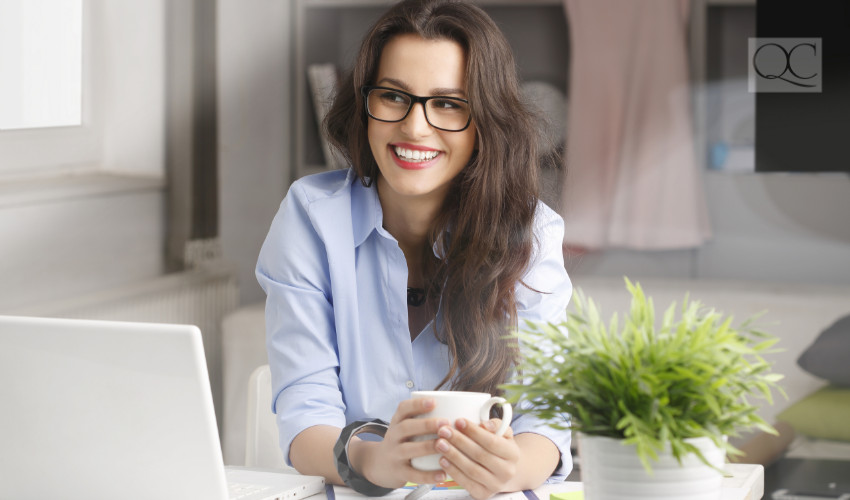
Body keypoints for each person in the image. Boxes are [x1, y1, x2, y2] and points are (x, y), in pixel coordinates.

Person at [256, 1, 572, 498]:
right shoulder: (311, 218)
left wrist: (512, 468)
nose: (414, 128)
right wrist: (372, 461)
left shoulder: (532, 233)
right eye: (393, 97)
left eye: (448, 104)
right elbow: (305, 413)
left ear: (484, 122)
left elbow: (546, 417)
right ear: (365, 106)